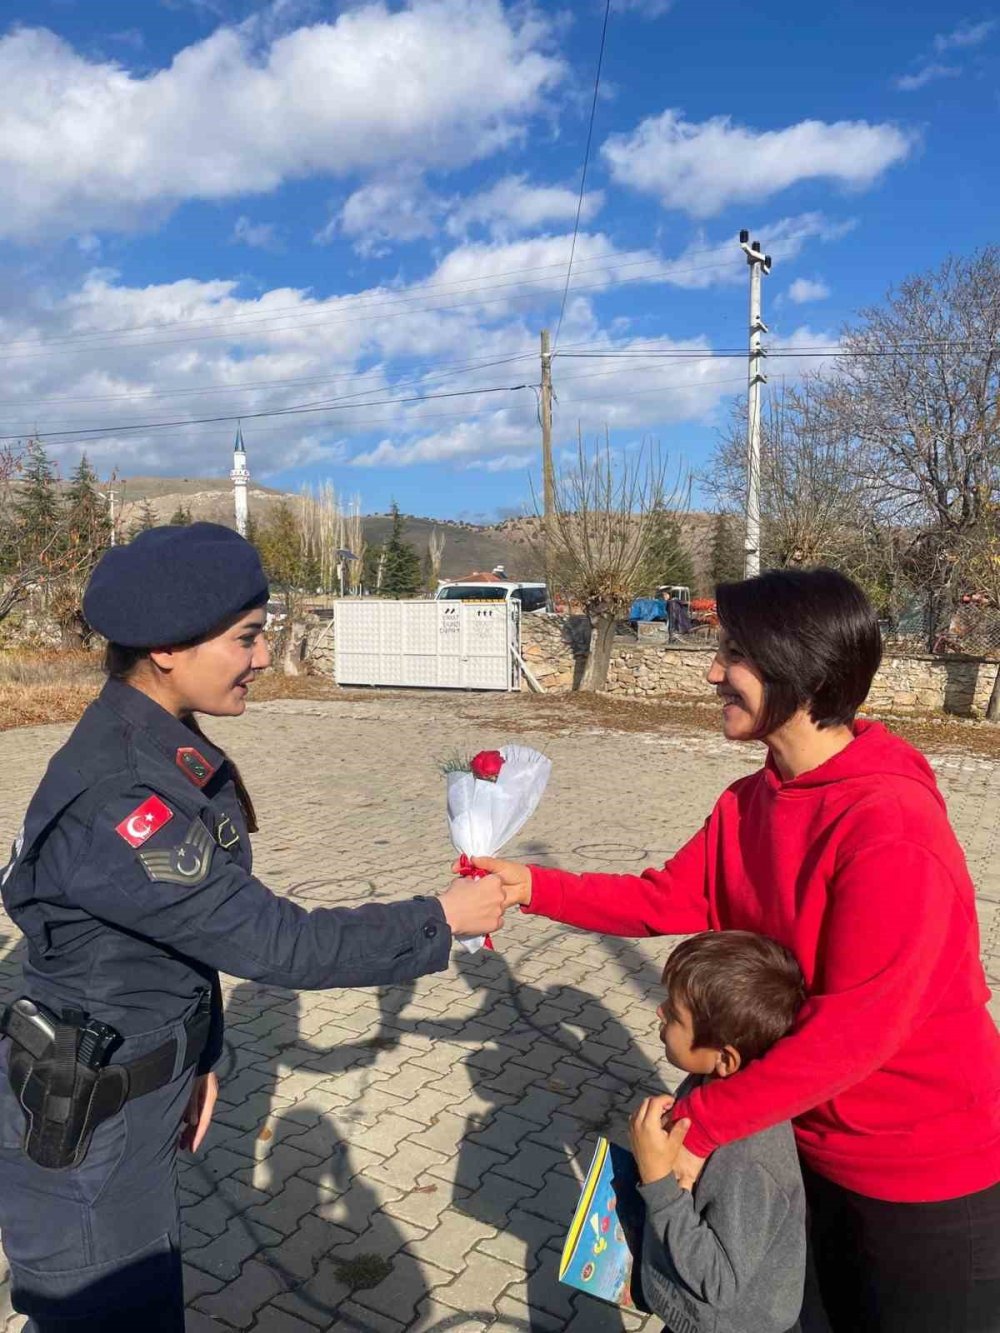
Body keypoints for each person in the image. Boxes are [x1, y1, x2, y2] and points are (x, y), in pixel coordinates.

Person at [459, 567, 1000, 1333]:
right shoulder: (753, 801)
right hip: (802, 1146)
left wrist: (704, 1125)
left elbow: (859, 1030)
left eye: (734, 654)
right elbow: (664, 898)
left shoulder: (890, 827)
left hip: (920, 1174)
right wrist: (530, 887)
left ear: (802, 670)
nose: (714, 670)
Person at [0, 522, 504, 1333]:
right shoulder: (123, 796)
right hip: (88, 1143)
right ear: (166, 648)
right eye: (247, 636)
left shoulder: (156, 744)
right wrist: (440, 920)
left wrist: (195, 1059)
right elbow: (275, 941)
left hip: (127, 1102)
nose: (265, 656)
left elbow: (171, 944)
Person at [629, 930, 806, 1333]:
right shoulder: (705, 1083)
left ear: (725, 1059)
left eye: (674, 1016)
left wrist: (657, 1181)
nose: (659, 1014)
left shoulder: (750, 1159)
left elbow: (719, 1281)